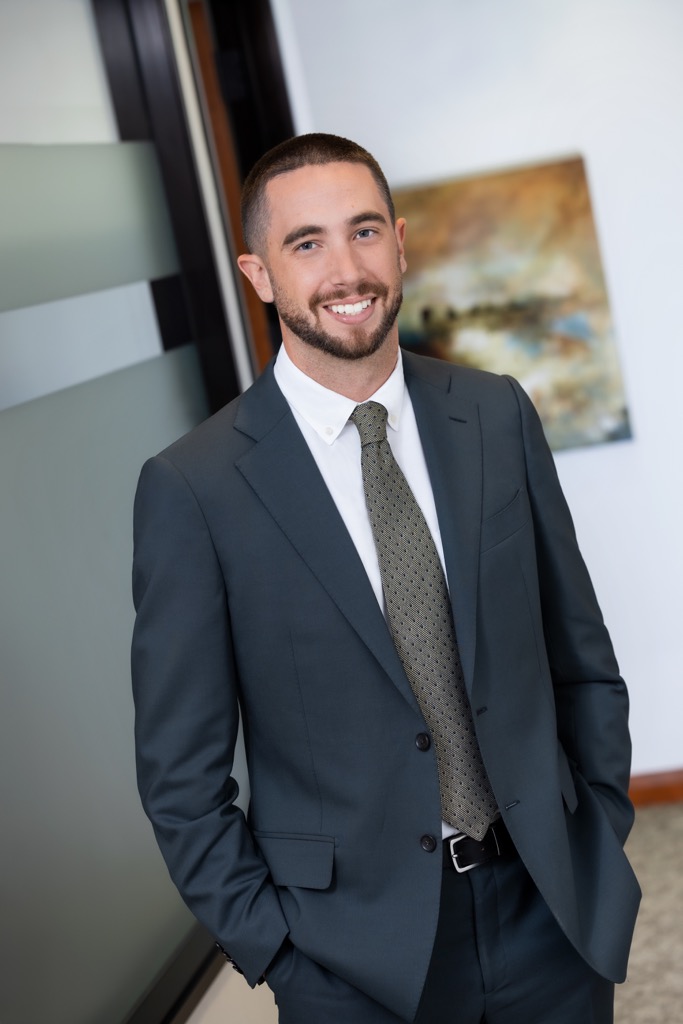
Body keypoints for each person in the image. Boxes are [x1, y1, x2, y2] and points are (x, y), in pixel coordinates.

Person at [131, 133, 640, 1024]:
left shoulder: (493, 414)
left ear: (400, 243)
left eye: (364, 231)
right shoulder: (194, 488)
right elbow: (181, 774)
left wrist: (595, 825)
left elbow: (579, 650)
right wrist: (277, 949)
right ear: (259, 275)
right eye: (307, 243)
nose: (345, 268)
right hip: (352, 959)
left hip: (547, 906)